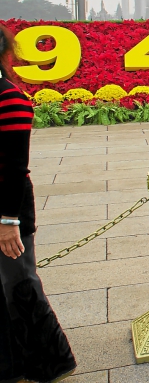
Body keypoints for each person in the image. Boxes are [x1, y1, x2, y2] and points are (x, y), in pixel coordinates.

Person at [0, 25, 76, 382]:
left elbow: (15, 167)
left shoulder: (10, 99)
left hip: (7, 208)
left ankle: (51, 362)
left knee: (19, 283)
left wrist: (8, 220)